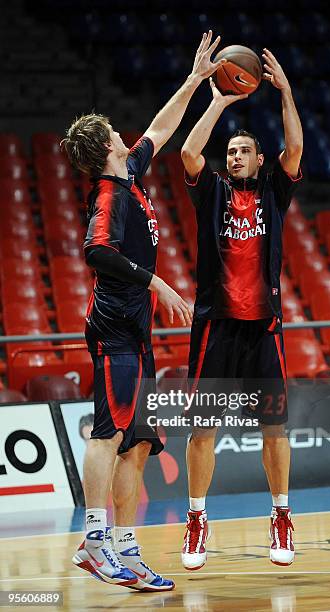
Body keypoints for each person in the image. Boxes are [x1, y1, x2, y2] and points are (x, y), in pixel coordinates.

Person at [62, 31, 226, 592]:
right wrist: (156, 281)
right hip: (114, 327)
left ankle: (126, 550)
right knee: (109, 435)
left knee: (137, 444)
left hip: (136, 328)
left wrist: (195, 79)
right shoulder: (109, 194)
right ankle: (92, 541)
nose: (121, 130)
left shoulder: (128, 171)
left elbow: (161, 126)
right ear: (104, 143)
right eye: (111, 129)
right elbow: (96, 251)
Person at [180, 48, 303, 570]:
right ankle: (196, 522)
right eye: (229, 150)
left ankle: (280, 516)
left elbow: (295, 146)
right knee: (202, 430)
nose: (233, 156)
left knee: (274, 429)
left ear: (259, 158)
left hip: (264, 328)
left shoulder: (275, 191)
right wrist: (218, 99)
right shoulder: (211, 192)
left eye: (243, 150)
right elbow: (188, 153)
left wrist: (286, 93)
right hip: (217, 326)